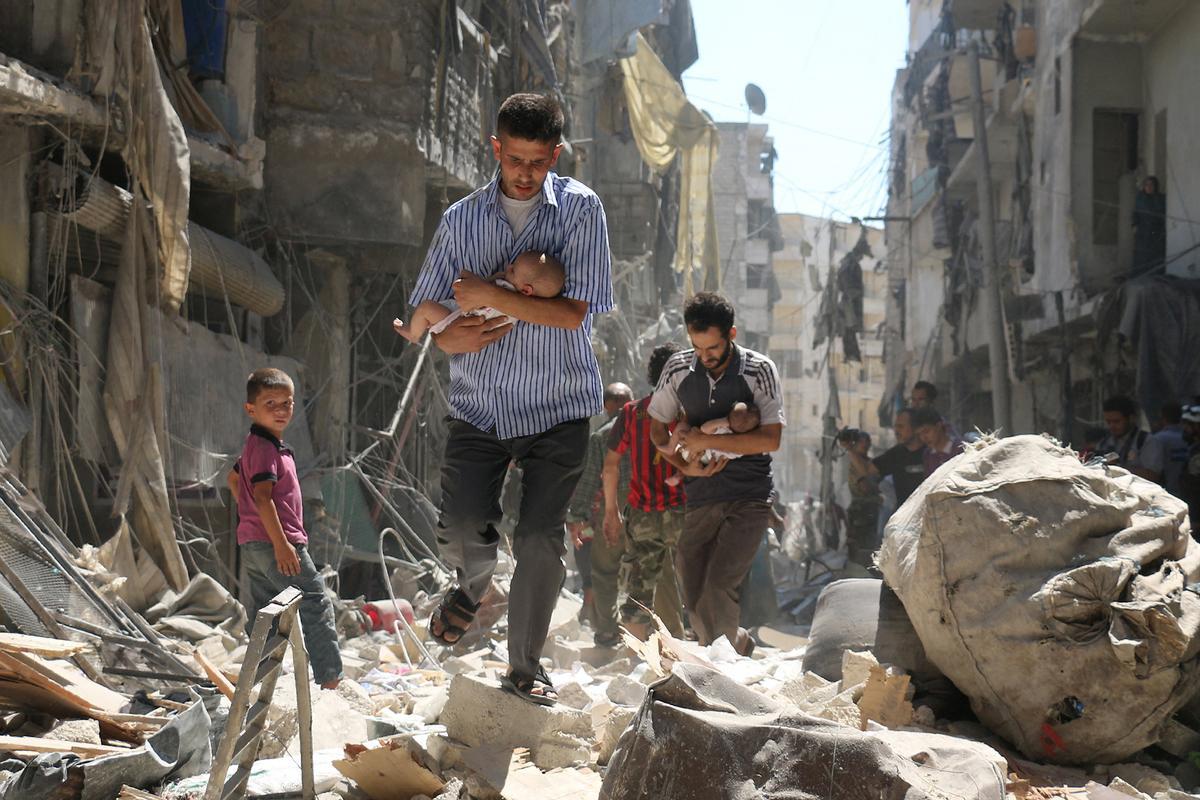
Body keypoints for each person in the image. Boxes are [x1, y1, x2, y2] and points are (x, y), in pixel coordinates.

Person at [408, 92, 612, 706]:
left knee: (538, 538)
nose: (525, 172)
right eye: (515, 158)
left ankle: (525, 666)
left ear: (556, 155)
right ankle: (471, 589)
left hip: (560, 406)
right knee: (467, 523)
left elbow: (575, 314)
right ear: (497, 149)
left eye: (538, 161)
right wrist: (450, 331)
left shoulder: (581, 211)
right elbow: (427, 310)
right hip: (482, 405)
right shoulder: (461, 221)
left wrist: (484, 297)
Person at [648, 293, 784, 656]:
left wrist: (704, 438)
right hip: (701, 494)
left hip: (749, 495)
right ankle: (735, 642)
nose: (705, 357)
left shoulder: (760, 370)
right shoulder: (678, 369)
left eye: (713, 348)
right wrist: (683, 464)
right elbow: (657, 430)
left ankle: (721, 669)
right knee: (692, 588)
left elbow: (771, 439)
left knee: (719, 585)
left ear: (732, 334)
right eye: (698, 347)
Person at [228, 369, 342, 689]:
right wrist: (281, 544)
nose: (280, 410)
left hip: (255, 542)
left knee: (268, 613)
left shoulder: (261, 445)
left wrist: (249, 516)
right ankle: (329, 679)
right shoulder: (264, 449)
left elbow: (234, 480)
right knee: (314, 601)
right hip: (276, 542)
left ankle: (262, 680)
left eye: (287, 403)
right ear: (251, 409)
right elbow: (263, 497)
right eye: (270, 403)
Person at [602, 343, 688, 642]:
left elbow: (610, 465)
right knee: (697, 585)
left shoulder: (632, 412)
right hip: (684, 513)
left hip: (643, 514)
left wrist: (611, 513)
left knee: (640, 590)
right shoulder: (690, 413)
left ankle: (639, 660)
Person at [566, 382, 633, 648]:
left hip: (612, 510)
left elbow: (589, 479)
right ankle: (651, 630)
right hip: (647, 508)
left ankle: (607, 631)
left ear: (606, 406)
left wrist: (576, 516)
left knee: (605, 571)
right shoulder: (650, 430)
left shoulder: (601, 436)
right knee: (650, 569)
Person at [393, 251, 565, 342]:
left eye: (513, 270)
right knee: (431, 311)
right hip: (459, 321)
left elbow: (475, 302)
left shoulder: (505, 296)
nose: (508, 267)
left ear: (526, 290)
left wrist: (488, 282)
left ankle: (413, 334)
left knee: (426, 307)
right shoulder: (521, 310)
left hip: (457, 320)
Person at [662, 402, 761, 486]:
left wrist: (722, 422)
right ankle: (679, 475)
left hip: (699, 453)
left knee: (682, 427)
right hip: (705, 461)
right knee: (692, 462)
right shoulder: (740, 449)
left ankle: (671, 447)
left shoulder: (723, 428)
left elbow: (704, 429)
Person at [847, 408, 927, 507]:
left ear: (915, 428)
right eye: (896, 427)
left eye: (901, 426)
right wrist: (849, 449)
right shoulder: (896, 454)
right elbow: (867, 470)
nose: (896, 431)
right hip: (905, 516)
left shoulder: (931, 453)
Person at [837, 429, 882, 567]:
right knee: (860, 549)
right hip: (861, 512)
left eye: (867, 441)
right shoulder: (854, 464)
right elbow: (865, 487)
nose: (866, 444)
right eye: (862, 441)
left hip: (873, 512)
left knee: (872, 547)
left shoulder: (868, 463)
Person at [1097, 394, 1164, 483]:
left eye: (1116, 421)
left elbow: (1152, 476)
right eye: (1108, 422)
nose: (1111, 426)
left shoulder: (1146, 441)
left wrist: (1118, 468)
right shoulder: (1104, 443)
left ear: (1131, 418)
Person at [913, 407, 965, 473]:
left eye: (926, 431)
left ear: (938, 426)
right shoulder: (928, 454)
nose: (923, 437)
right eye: (919, 434)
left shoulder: (961, 448)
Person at [1153, 402, 1189, 497]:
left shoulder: (1158, 439)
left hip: (1169, 494)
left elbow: (1155, 469)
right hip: (1191, 492)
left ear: (1163, 418)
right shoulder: (1191, 437)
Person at [1133, 176, 1167, 275]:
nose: (1149, 187)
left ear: (1155, 186)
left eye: (1151, 185)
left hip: (1157, 233)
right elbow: (1136, 213)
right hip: (1143, 233)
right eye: (1147, 185)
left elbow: (1162, 214)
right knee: (1141, 257)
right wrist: (1134, 225)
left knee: (1155, 257)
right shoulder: (1140, 198)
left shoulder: (1161, 199)